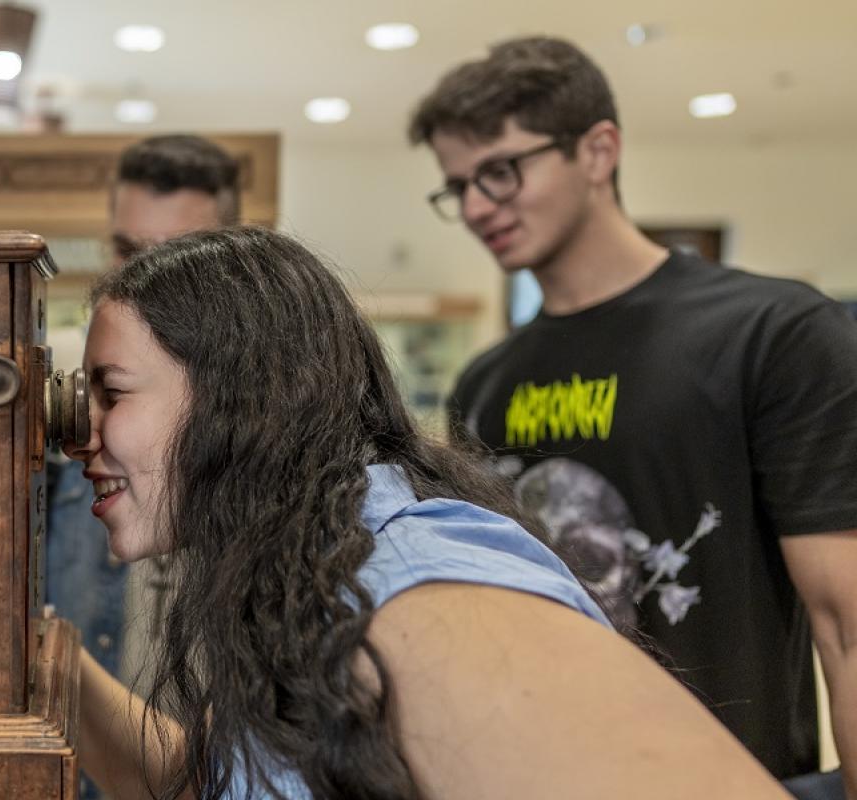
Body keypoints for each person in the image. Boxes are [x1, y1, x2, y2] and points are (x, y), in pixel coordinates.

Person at [64, 226, 787, 799]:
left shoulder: (418, 587)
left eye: (113, 393)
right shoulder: (307, 581)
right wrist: (46, 657)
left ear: (236, 400)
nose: (80, 438)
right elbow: (216, 780)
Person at [408, 36, 857, 794]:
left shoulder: (771, 332)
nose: (479, 206)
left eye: (500, 170)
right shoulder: (487, 381)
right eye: (459, 187)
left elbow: (844, 619)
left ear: (598, 150)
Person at [47, 134, 240, 686]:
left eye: (181, 254)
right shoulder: (52, 380)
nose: (149, 278)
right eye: (130, 251)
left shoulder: (268, 415)